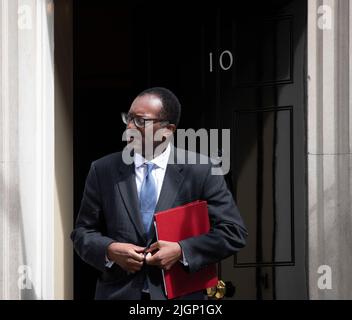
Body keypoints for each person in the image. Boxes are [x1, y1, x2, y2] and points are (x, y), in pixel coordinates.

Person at [70, 87, 248, 300]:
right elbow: (82, 233)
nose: (129, 126)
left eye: (140, 121)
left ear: (168, 130)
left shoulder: (201, 169)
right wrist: (110, 250)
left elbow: (233, 232)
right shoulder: (103, 170)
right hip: (118, 294)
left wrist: (181, 251)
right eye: (128, 118)